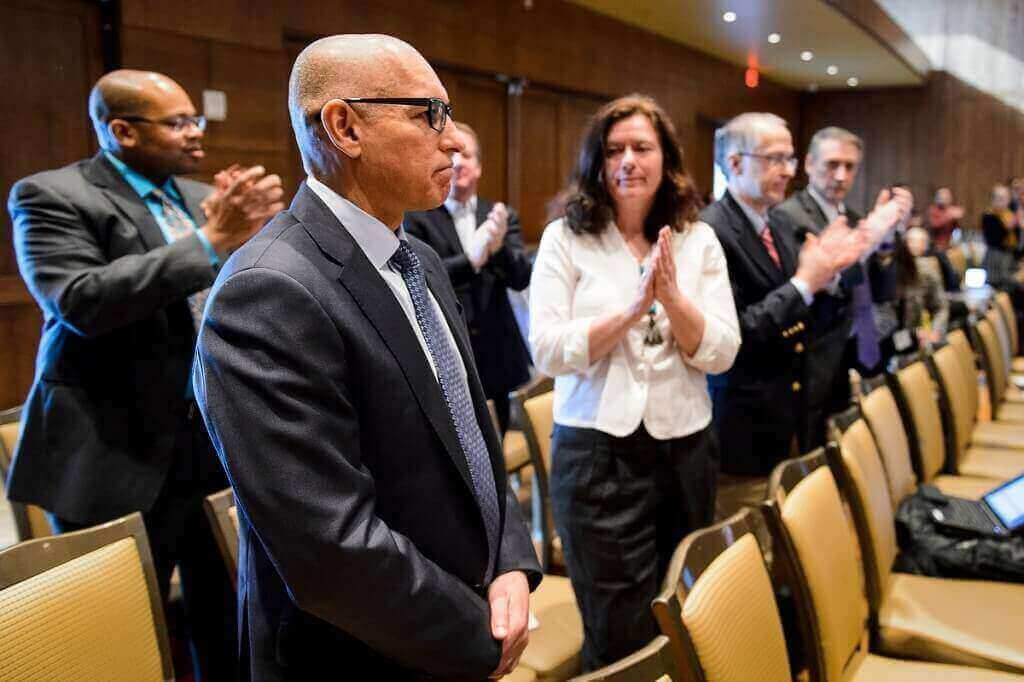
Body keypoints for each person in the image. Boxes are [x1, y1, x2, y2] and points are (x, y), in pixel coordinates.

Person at [193, 34, 540, 680]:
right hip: (358, 657)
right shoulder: (266, 291)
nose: (455, 140)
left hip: (458, 615)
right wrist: (476, 639)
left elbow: (471, 435)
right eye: (427, 114)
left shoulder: (422, 260)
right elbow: (332, 550)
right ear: (345, 126)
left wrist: (511, 561)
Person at [7, 69, 283, 680]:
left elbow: (223, 291)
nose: (195, 134)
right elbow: (80, 301)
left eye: (197, 120)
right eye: (179, 122)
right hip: (114, 448)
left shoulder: (193, 195)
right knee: (114, 638)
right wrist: (213, 239)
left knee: (227, 616)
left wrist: (257, 240)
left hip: (206, 443)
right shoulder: (50, 195)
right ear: (121, 131)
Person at [529, 94, 740, 670]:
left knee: (680, 609)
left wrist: (671, 298)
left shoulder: (698, 240)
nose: (628, 160)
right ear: (596, 163)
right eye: (613, 149)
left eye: (641, 147)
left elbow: (722, 351)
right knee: (617, 628)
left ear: (666, 160)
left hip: (686, 450)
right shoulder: (565, 238)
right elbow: (547, 349)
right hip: (597, 457)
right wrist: (630, 309)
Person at [701, 113, 865, 516]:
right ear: (735, 163)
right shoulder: (711, 231)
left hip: (790, 416)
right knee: (746, 551)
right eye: (774, 159)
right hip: (742, 427)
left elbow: (798, 313)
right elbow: (735, 334)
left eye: (790, 160)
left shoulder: (775, 222)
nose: (787, 172)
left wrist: (825, 277)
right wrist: (806, 284)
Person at [404, 122, 532, 433]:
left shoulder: (499, 214)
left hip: (498, 349)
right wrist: (470, 261)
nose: (459, 162)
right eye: (452, 154)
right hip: (449, 348)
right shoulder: (417, 217)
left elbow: (520, 278)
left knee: (504, 443)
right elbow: (419, 280)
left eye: (468, 155)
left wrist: (498, 247)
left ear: (479, 167)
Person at [774, 126, 911, 381]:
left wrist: (885, 238)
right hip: (814, 354)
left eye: (850, 167)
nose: (841, 176)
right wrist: (866, 239)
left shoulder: (853, 217)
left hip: (854, 347)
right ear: (809, 164)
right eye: (832, 164)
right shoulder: (788, 216)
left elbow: (881, 292)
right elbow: (813, 290)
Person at [904, 226, 950, 346]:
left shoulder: (926, 270)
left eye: (918, 242)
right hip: (894, 338)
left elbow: (940, 307)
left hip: (915, 339)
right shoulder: (890, 272)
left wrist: (935, 331)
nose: (914, 246)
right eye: (910, 241)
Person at [981, 183, 1023, 305]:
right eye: (999, 198)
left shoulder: (1009, 214)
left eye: (1005, 198)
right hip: (995, 259)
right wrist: (1009, 227)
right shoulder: (989, 216)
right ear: (993, 200)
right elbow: (994, 240)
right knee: (1000, 292)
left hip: (1009, 258)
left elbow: (1016, 241)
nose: (1003, 202)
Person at [926, 187, 964, 251]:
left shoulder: (951, 210)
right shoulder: (933, 210)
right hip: (936, 246)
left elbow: (957, 229)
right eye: (942, 196)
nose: (944, 198)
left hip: (950, 246)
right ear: (937, 198)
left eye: (947, 196)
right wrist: (949, 216)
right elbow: (933, 225)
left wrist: (956, 240)